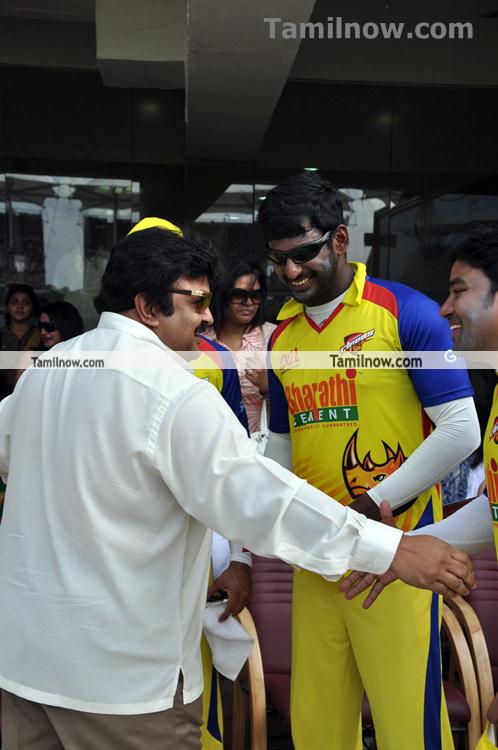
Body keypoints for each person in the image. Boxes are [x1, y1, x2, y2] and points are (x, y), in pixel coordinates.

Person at [0, 227, 475, 750]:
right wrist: (391, 547)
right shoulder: (172, 390)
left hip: (26, 673)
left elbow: (10, 460)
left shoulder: (47, 372)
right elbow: (261, 500)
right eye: (198, 301)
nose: (209, 316)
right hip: (125, 690)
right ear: (146, 306)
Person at [258, 171, 481, 750]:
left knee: (409, 730)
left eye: (302, 254)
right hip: (317, 560)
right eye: (278, 260)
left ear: (339, 240)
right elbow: (281, 445)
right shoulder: (280, 337)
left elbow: (461, 430)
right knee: (317, 731)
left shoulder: (405, 312)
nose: (290, 272)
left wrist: (375, 504)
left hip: (397, 561)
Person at [205, 257, 275, 434]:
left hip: (262, 446)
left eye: (256, 296)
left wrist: (268, 385)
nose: (249, 303)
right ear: (222, 295)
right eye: (239, 295)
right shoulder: (200, 342)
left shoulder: (273, 337)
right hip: (215, 442)